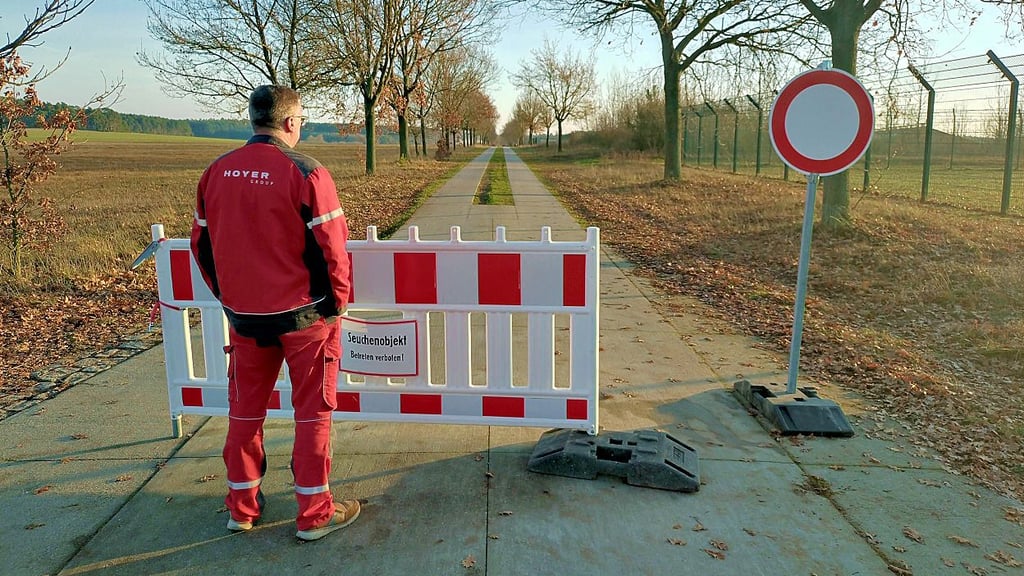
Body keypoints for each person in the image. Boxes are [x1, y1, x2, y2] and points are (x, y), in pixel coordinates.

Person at [190, 85, 360, 541]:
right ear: (289, 122)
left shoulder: (216, 172)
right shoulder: (307, 172)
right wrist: (337, 303)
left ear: (254, 120)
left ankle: (242, 509)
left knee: (245, 414)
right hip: (305, 318)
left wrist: (228, 296)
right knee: (313, 414)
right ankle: (314, 514)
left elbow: (201, 246)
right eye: (300, 121)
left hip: (246, 320)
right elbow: (334, 249)